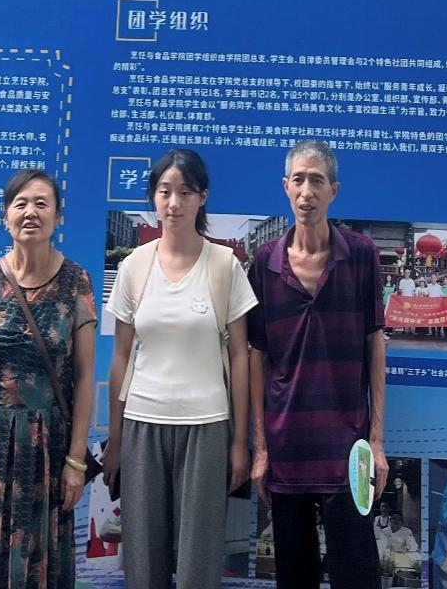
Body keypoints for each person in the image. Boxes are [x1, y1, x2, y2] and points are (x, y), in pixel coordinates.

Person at [103, 149, 254, 589]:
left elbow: (240, 355)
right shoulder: (134, 266)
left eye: (185, 192)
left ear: (202, 197)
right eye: (164, 191)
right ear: (154, 197)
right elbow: (121, 356)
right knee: (143, 559)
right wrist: (115, 440)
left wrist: (239, 441)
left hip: (207, 426)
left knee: (198, 561)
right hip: (142, 425)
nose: (174, 203)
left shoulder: (224, 266)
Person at [0, 168, 96, 589]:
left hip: (46, 448)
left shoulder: (76, 281)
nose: (31, 212)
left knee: (38, 558)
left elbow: (84, 378)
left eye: (42, 203)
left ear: (58, 217)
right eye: (20, 203)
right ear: (5, 216)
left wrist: (76, 462)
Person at [248, 139, 386, 589]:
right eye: (299, 180)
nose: (307, 191)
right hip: (286, 445)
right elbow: (258, 357)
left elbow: (375, 344)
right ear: (285, 187)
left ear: (334, 191)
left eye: (317, 181)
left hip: (348, 446)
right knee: (295, 575)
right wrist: (261, 449)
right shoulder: (265, 263)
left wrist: (377, 441)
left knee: (357, 574)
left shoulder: (361, 255)